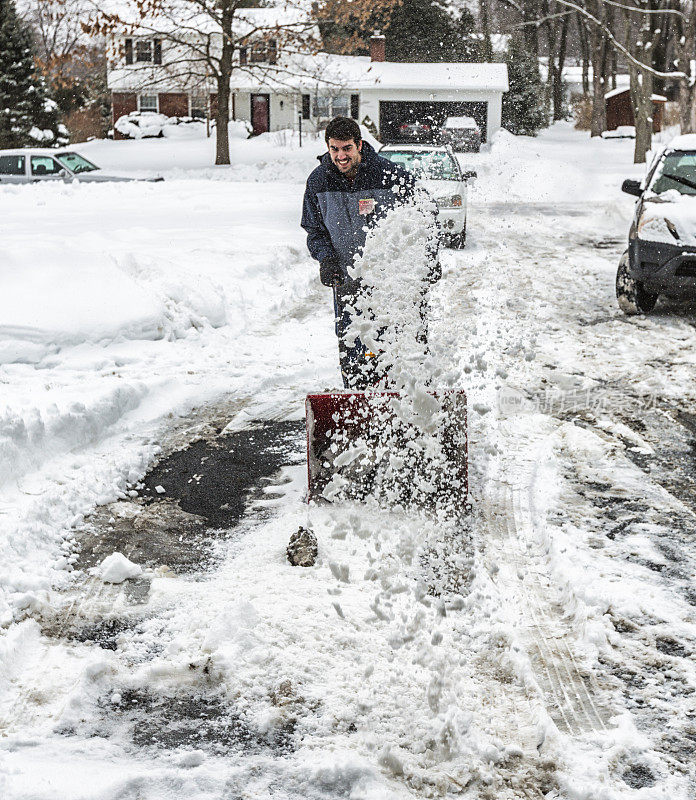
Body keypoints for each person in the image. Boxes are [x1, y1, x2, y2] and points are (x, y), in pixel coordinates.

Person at [301, 116, 437, 389]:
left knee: (401, 345)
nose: (340, 156)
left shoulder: (389, 175)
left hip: (392, 284)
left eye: (347, 148)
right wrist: (326, 259)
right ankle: (360, 402)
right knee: (353, 347)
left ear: (359, 145)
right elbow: (315, 230)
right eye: (334, 149)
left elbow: (425, 213)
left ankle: (413, 402)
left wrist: (428, 258)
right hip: (347, 282)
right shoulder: (318, 182)